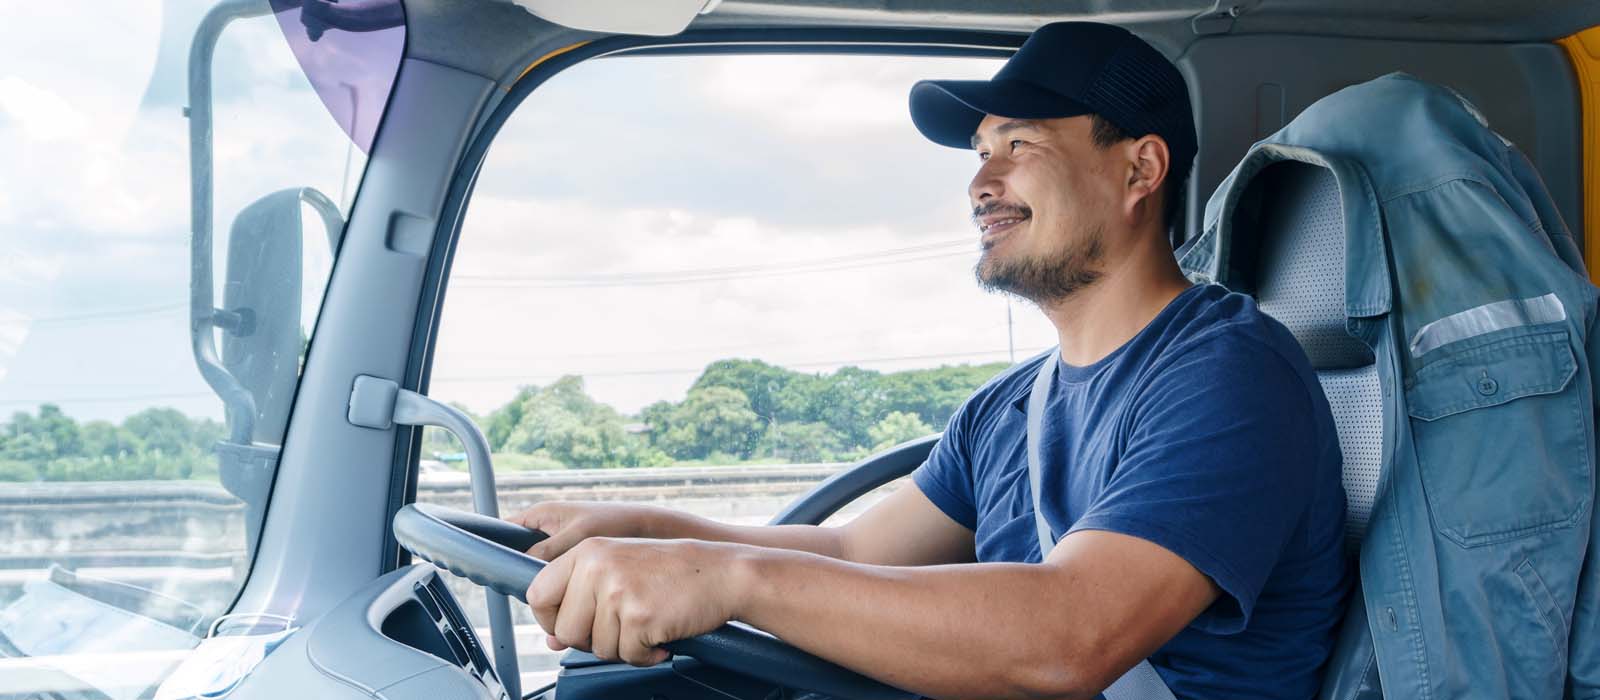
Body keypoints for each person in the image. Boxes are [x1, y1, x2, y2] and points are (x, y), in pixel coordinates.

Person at [509, 21, 1350, 699]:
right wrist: (643, 530)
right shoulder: (1009, 408)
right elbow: (850, 557)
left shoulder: (1230, 374)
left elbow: (1070, 638)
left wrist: (728, 577)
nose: (982, 181)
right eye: (980, 151)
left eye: (1018, 144)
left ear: (1141, 168)